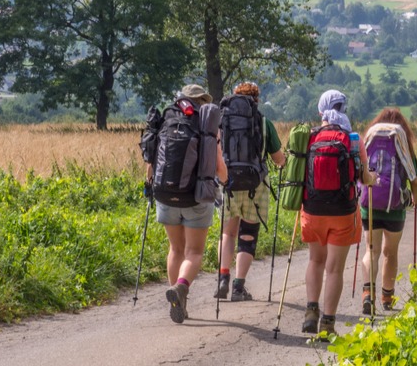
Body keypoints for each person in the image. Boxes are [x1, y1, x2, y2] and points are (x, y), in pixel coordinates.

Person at [144, 84, 228, 324]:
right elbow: (219, 165)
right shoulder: (207, 126)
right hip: (196, 197)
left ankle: (178, 300)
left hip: (165, 194)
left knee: (176, 249)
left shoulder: (166, 120)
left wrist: (150, 186)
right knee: (194, 251)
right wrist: (226, 182)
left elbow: (151, 162)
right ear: (201, 101)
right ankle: (181, 288)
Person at [300, 90, 375, 337]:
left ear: (321, 110)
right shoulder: (353, 139)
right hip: (343, 211)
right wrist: (371, 179)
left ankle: (311, 311)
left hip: (312, 210)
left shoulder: (309, 137)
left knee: (315, 260)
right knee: (334, 268)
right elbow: (364, 178)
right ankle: (328, 324)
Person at [215, 82, 286, 302]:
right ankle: (238, 287)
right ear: (256, 99)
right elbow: (279, 160)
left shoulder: (223, 121)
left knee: (227, 233)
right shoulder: (264, 122)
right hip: (256, 185)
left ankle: (223, 278)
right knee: (248, 235)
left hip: (228, 182)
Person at [359, 107, 417, 315]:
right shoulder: (402, 142)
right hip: (395, 208)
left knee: (371, 251)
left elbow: (360, 169)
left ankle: (368, 294)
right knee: (390, 252)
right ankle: (387, 297)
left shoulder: (370, 139)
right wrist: (415, 196)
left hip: (370, 204)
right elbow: (414, 177)